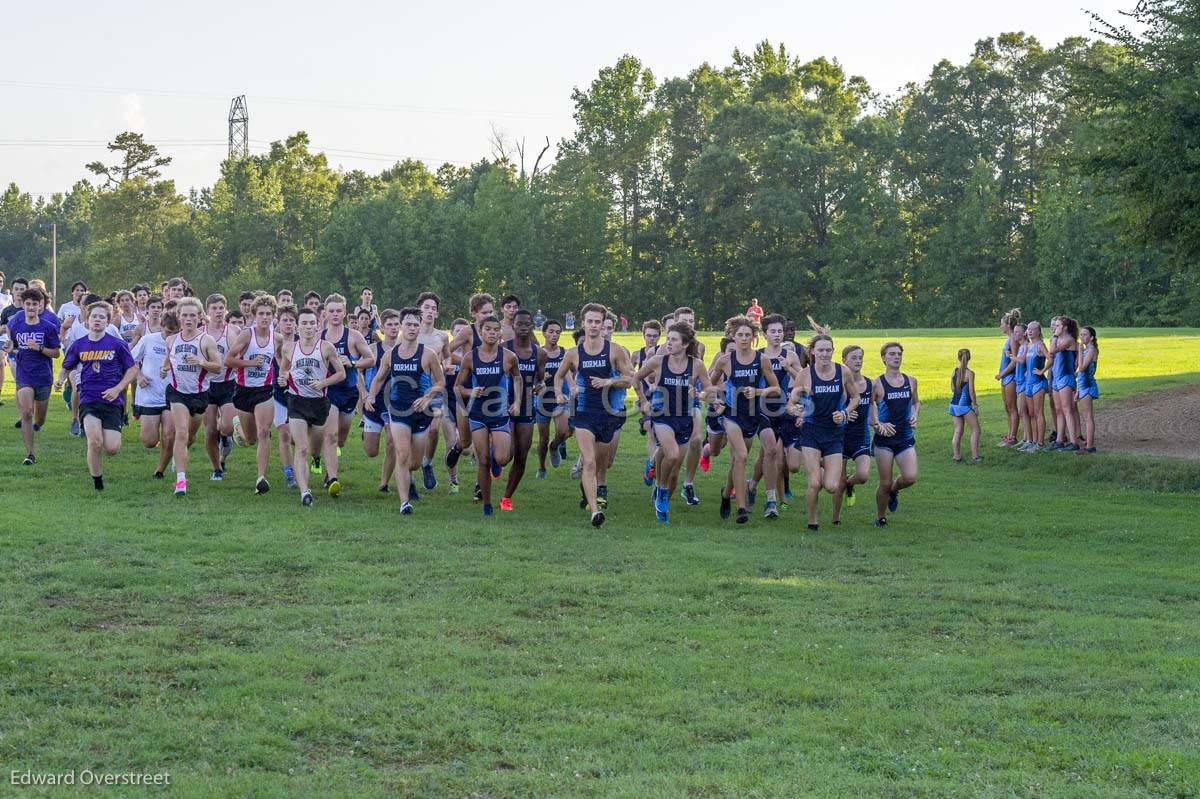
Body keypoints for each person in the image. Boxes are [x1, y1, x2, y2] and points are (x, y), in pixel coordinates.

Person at [554, 303, 634, 527]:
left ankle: (587, 486)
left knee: (601, 464)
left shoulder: (614, 350)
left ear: (603, 324)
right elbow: (559, 377)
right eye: (589, 321)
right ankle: (595, 512)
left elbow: (630, 379)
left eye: (597, 322)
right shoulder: (573, 354)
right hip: (584, 414)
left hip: (608, 414)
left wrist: (609, 381)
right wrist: (560, 393)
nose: (593, 326)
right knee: (589, 462)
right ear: (583, 324)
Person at [635, 322, 722, 524]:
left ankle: (657, 478)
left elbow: (708, 390)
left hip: (685, 418)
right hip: (662, 416)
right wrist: (644, 401)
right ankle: (662, 493)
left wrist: (706, 396)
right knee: (672, 454)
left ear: (684, 344)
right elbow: (636, 377)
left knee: (673, 468)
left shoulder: (696, 365)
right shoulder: (658, 361)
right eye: (668, 339)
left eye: (673, 339)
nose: (669, 342)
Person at [365, 307, 445, 515]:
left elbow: (441, 382)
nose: (411, 328)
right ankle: (404, 502)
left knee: (414, 463)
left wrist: (427, 397)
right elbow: (379, 377)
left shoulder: (428, 355)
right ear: (401, 326)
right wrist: (371, 395)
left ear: (420, 327)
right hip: (398, 410)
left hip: (421, 412)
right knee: (401, 455)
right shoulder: (391, 355)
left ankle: (410, 477)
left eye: (415, 324)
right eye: (408, 324)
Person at [54, 301, 137, 490]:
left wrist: (118, 388)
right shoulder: (79, 345)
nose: (97, 320)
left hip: (112, 401)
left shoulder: (117, 344)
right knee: (95, 441)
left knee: (112, 448)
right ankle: (97, 482)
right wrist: (60, 380)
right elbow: (67, 366)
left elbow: (132, 370)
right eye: (94, 316)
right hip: (88, 399)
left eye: (102, 317)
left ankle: (104, 451)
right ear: (88, 320)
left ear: (107, 321)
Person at [710, 315, 780, 524]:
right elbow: (709, 386)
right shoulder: (725, 361)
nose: (743, 339)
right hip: (731, 414)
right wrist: (715, 400)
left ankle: (725, 495)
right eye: (739, 335)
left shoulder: (762, 360)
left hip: (755, 414)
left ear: (754, 337)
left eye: (747, 335)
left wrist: (758, 391)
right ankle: (741, 507)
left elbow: (776, 390)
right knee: (740, 456)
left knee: (738, 459)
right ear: (732, 335)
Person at [278, 307, 347, 506]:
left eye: (311, 323)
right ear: (298, 327)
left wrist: (323, 383)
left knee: (315, 448)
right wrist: (283, 379)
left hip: (319, 404)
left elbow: (340, 374)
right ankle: (305, 492)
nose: (308, 327)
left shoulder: (326, 347)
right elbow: (284, 370)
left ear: (318, 326)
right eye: (304, 323)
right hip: (297, 402)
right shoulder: (289, 347)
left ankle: (317, 460)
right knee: (301, 448)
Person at [788, 321, 853, 531]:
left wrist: (844, 412)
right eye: (821, 350)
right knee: (815, 483)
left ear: (833, 351)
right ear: (813, 352)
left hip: (834, 433)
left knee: (832, 487)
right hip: (811, 431)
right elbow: (791, 403)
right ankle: (812, 520)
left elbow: (857, 397)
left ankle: (823, 466)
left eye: (828, 350)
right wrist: (795, 409)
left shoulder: (843, 372)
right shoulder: (805, 375)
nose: (825, 354)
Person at [456, 315, 522, 516]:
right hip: (477, 414)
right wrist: (470, 392)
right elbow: (457, 387)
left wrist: (517, 402)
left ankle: (496, 459)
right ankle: (487, 504)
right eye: (488, 329)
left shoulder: (509, 357)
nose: (492, 333)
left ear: (500, 333)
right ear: (481, 332)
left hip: (500, 413)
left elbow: (517, 378)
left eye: (496, 329)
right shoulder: (470, 357)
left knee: (502, 458)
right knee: (482, 460)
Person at [162, 298, 224, 496]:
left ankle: (179, 456)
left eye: (192, 315)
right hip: (177, 392)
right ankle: (181, 480)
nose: (188, 319)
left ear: (199, 317)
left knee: (190, 435)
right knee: (181, 433)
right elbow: (167, 362)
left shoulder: (206, 340)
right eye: (185, 315)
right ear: (179, 317)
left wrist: (200, 362)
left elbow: (218, 367)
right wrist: (164, 370)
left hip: (199, 394)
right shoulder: (171, 340)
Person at [225, 295, 280, 494]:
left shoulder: (277, 338)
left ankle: (261, 478)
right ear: (255, 315)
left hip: (264, 391)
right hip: (243, 390)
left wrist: (285, 374)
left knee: (264, 432)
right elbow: (228, 360)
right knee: (250, 439)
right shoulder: (247, 335)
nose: (265, 317)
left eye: (268, 314)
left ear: (273, 316)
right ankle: (238, 425)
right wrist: (250, 363)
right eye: (261, 314)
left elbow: (283, 360)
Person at [750, 314, 804, 516]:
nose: (777, 335)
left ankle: (752, 486)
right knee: (771, 451)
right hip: (763, 410)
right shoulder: (757, 356)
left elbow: (803, 379)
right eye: (772, 331)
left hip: (785, 410)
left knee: (767, 454)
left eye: (780, 331)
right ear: (765, 334)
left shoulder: (790, 355)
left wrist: (788, 367)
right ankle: (771, 502)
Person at [319, 293, 376, 471]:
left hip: (349, 392)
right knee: (331, 436)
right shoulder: (319, 336)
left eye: (338, 311)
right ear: (325, 314)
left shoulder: (354, 336)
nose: (335, 314)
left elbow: (371, 359)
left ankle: (322, 454)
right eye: (331, 311)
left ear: (344, 313)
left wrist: (351, 363)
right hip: (327, 391)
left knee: (341, 440)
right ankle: (331, 477)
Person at [3, 286, 60, 464]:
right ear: (23, 305)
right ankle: (30, 454)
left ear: (40, 305)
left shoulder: (48, 327)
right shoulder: (15, 323)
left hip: (43, 376)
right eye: (28, 304)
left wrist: (40, 348)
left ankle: (37, 425)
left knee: (39, 419)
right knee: (27, 412)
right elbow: (11, 343)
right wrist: (10, 347)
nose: (31, 307)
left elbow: (56, 353)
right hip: (24, 374)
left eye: (34, 304)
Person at [871, 341, 920, 527]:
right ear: (883, 358)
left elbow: (916, 403)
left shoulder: (911, 381)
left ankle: (894, 490)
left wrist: (914, 415)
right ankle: (881, 516)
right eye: (892, 354)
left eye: (899, 354)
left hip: (905, 437)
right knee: (884, 483)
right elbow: (869, 407)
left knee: (910, 477)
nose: (896, 357)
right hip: (884, 441)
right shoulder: (877, 384)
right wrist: (878, 424)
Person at [500, 309, 544, 511]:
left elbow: (540, 380)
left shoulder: (539, 353)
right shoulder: (503, 349)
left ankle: (506, 498)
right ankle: (493, 462)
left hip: (527, 407)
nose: (523, 327)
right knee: (505, 455)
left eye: (527, 324)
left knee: (522, 456)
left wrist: (540, 386)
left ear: (532, 326)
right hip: (502, 405)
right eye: (520, 324)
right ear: (513, 326)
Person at [130, 298, 175, 479]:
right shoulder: (149, 340)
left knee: (170, 434)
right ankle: (154, 437)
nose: (170, 335)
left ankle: (160, 470)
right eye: (167, 331)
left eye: (174, 332)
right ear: (161, 327)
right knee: (149, 441)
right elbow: (129, 361)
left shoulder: (182, 342)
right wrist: (139, 376)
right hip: (149, 394)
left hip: (173, 395)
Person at [830, 344, 872, 525]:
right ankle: (835, 518)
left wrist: (877, 422)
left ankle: (850, 483)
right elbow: (829, 408)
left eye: (860, 357)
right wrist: (844, 413)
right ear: (844, 360)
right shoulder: (838, 385)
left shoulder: (870, 383)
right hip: (841, 436)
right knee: (838, 481)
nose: (858, 361)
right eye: (853, 358)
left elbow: (873, 404)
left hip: (861, 435)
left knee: (863, 475)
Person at [361, 309, 401, 493]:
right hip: (374, 402)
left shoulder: (404, 350)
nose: (393, 328)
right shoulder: (373, 350)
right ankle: (367, 433)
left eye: (396, 324)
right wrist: (364, 394)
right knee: (371, 452)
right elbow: (357, 372)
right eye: (389, 325)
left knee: (392, 442)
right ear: (382, 328)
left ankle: (384, 483)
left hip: (395, 404)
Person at [415, 292, 451, 492]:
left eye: (433, 309)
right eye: (426, 307)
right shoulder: (411, 332)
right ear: (420, 310)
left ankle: (427, 463)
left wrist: (446, 366)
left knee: (434, 429)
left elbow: (447, 357)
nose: (430, 311)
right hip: (413, 388)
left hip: (435, 387)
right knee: (415, 431)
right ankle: (411, 469)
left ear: (437, 313)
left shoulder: (442, 336)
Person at [203, 294, 241, 479]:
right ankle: (217, 468)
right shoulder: (200, 331)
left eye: (221, 308)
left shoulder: (233, 331)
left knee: (227, 427)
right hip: (206, 386)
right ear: (207, 311)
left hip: (228, 383)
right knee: (210, 430)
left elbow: (238, 357)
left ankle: (225, 439)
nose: (218, 312)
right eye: (214, 308)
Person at [534, 319, 571, 477]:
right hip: (542, 400)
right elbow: (531, 382)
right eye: (551, 332)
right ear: (544, 333)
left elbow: (574, 371)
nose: (554, 335)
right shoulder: (537, 354)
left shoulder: (565, 353)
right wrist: (540, 379)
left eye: (557, 332)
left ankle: (555, 446)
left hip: (560, 398)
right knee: (543, 438)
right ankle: (541, 468)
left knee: (563, 432)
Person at [1046, 317, 1081, 452]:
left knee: (1067, 410)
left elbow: (1053, 350)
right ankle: (1059, 440)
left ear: (1065, 327)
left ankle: (1074, 442)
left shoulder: (1069, 340)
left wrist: (1054, 336)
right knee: (1059, 410)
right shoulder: (1058, 339)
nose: (1055, 327)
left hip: (1066, 377)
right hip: (1056, 378)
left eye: (1058, 325)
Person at [1018, 321, 1049, 451]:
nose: (1030, 331)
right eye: (1028, 329)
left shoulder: (1040, 345)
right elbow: (1024, 362)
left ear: (1038, 331)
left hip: (1038, 383)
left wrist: (1042, 371)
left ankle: (1040, 443)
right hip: (1028, 383)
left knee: (1038, 412)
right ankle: (1034, 441)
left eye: (1033, 329)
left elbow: (1050, 358)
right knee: (1031, 413)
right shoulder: (1029, 345)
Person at [995, 308, 1022, 446]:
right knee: (1007, 407)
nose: (1000, 326)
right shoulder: (1008, 339)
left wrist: (1002, 374)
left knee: (1012, 408)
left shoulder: (1013, 340)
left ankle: (1013, 437)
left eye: (1002, 324)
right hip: (1005, 378)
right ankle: (1009, 434)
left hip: (1010, 377)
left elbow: (1014, 360)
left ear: (1007, 325)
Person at [948, 348, 981, 463]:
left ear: (958, 357)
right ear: (969, 358)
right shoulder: (970, 373)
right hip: (964, 406)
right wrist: (975, 405)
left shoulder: (954, 371)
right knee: (976, 429)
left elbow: (952, 388)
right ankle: (975, 456)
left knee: (958, 430)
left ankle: (956, 457)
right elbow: (971, 391)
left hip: (953, 405)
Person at [1075, 326, 1099, 454]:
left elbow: (1082, 367)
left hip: (1088, 385)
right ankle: (1088, 444)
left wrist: (1079, 351)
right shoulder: (1087, 350)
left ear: (1091, 338)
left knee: (1088, 416)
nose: (1082, 337)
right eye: (1081, 335)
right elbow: (1079, 373)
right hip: (1083, 385)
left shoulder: (1091, 349)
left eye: (1085, 335)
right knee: (1086, 416)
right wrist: (1078, 390)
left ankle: (1090, 446)